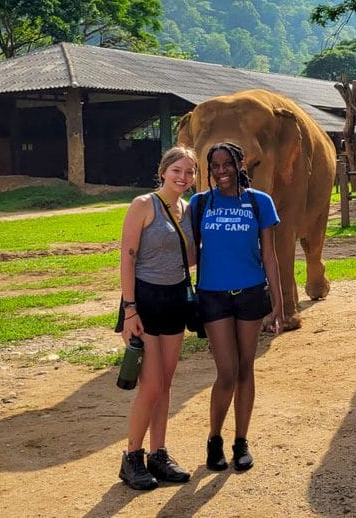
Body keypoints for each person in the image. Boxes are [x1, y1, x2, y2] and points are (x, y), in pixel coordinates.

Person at [190, 142, 284, 472]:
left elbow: (270, 256)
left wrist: (278, 304)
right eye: (214, 166)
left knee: (246, 368)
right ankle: (214, 438)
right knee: (227, 372)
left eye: (226, 164)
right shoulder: (200, 203)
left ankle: (241, 441)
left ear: (239, 163)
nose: (220, 172)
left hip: (250, 293)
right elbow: (188, 255)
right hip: (212, 295)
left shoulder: (260, 202)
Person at [117, 146, 197, 490]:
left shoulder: (188, 209)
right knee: (149, 386)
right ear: (163, 171)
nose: (183, 178)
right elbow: (127, 259)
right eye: (177, 170)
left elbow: (189, 258)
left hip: (176, 298)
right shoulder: (143, 205)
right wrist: (129, 309)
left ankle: (158, 454)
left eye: (190, 172)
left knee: (165, 384)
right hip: (145, 301)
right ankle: (131, 458)